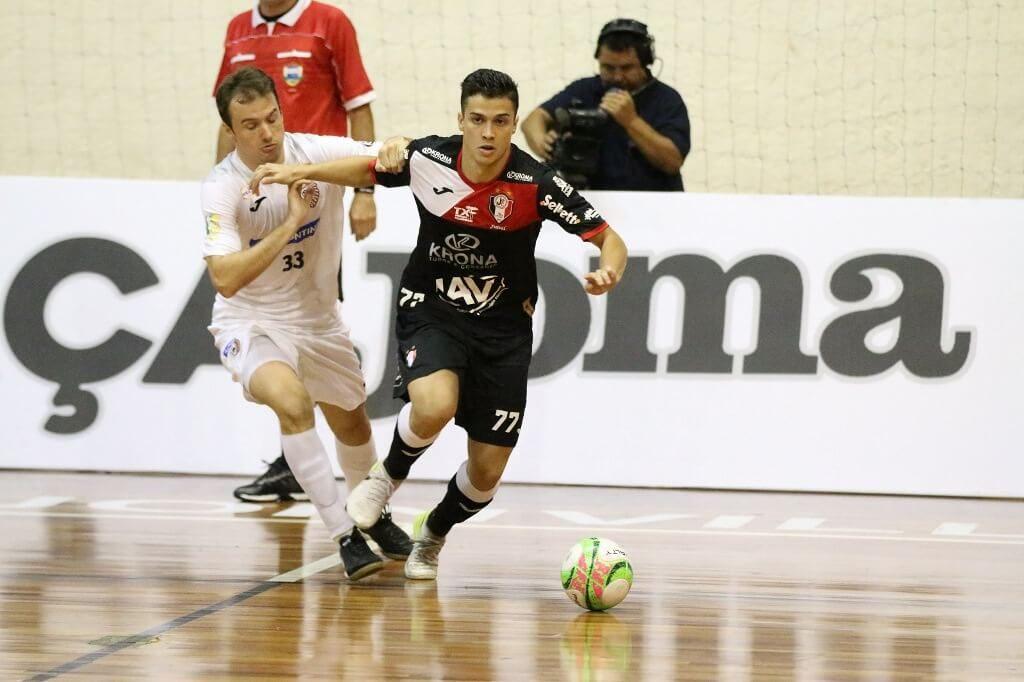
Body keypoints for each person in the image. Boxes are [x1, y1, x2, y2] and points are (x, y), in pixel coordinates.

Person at [248, 68, 628, 580]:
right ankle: (386, 478)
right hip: (431, 308)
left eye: (500, 121)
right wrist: (300, 174)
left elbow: (609, 237)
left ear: (514, 124)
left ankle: (433, 534)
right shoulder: (429, 158)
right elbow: (365, 169)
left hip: (503, 332)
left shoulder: (536, 183)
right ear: (461, 120)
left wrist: (609, 270)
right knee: (434, 404)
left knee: (487, 475)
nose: (488, 133)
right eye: (477, 120)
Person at [202, 67, 411, 579]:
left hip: (318, 322)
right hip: (249, 322)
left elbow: (380, 159)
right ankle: (345, 535)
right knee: (293, 404)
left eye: (271, 117)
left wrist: (398, 145)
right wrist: (292, 221)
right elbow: (225, 278)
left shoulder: (313, 153)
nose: (266, 133)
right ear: (231, 131)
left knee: (353, 422)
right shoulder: (222, 187)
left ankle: (373, 515)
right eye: (249, 125)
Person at [213, 0, 379, 502]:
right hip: (260, 205)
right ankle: (297, 460)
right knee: (272, 330)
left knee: (313, 319)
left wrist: (365, 193)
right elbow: (226, 122)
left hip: (315, 195)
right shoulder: (238, 28)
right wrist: (223, 194)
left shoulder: (329, 22)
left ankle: (353, 489)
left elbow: (360, 108)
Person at [521, 18, 691, 191]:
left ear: (646, 63)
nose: (617, 77)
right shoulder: (585, 89)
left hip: (654, 203)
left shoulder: (667, 99)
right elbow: (532, 121)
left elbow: (673, 161)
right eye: (608, 68)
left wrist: (631, 121)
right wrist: (544, 144)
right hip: (595, 202)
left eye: (627, 68)